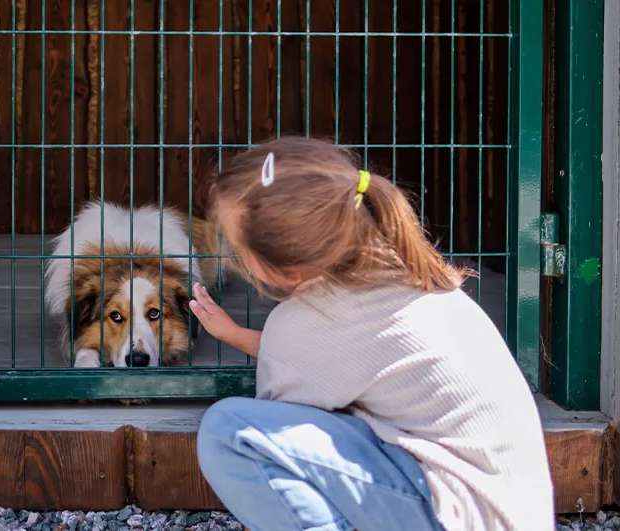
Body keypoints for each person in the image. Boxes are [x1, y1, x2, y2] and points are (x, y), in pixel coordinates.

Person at [189, 137, 553, 531]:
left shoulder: (307, 321)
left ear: (286, 270)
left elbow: (283, 429)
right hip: (500, 509)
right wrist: (236, 335)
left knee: (232, 431)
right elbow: (330, 359)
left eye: (238, 249)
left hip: (457, 513)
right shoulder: (400, 272)